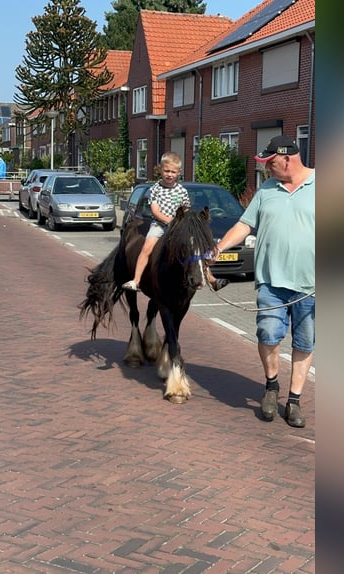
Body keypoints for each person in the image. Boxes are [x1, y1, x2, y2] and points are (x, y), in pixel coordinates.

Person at [212, 135, 315, 426]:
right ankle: (272, 386)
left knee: (305, 343)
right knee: (268, 335)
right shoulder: (267, 190)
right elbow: (245, 225)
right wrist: (219, 248)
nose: (266, 168)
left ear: (286, 158)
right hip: (271, 280)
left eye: (269, 162)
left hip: (312, 286)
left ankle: (294, 401)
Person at [122, 151, 229, 292]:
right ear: (160, 169)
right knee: (146, 248)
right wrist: (170, 221)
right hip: (159, 225)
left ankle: (211, 279)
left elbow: (186, 210)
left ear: (179, 172)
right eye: (166, 171)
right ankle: (136, 280)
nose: (169, 174)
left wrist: (187, 224)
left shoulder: (182, 191)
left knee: (196, 249)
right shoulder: (155, 189)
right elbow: (155, 210)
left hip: (179, 228)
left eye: (173, 172)